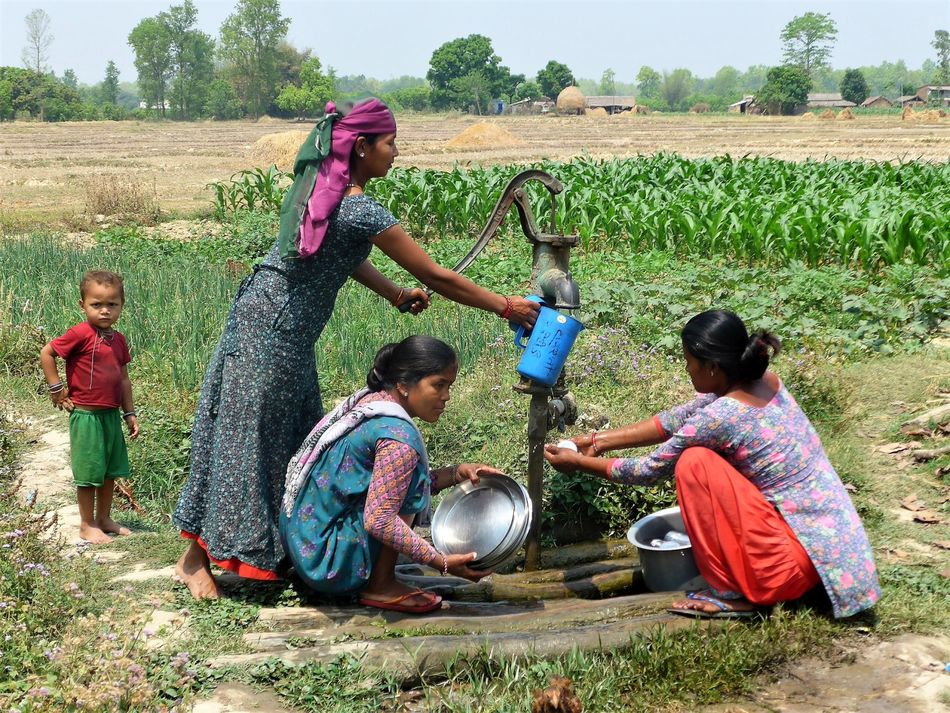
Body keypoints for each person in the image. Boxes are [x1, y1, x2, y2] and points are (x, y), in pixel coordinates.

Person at [173, 98, 539, 599]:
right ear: (362, 146)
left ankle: (285, 549)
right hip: (269, 335)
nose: (396, 151)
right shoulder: (358, 206)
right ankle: (195, 560)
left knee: (297, 439)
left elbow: (336, 254)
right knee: (245, 442)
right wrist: (505, 306)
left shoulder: (328, 195)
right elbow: (434, 274)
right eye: (389, 142)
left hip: (281, 333)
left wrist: (391, 292)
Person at [544, 309, 880, 620]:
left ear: (713, 368)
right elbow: (678, 419)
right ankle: (753, 579)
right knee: (706, 456)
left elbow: (648, 470)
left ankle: (733, 595)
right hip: (831, 558)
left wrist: (578, 463)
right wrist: (598, 441)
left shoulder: (723, 416)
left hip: (787, 569)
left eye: (689, 361)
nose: (686, 368)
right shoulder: (766, 383)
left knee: (694, 462)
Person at [280, 335, 493, 613]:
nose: (446, 396)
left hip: (303, 540)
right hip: (328, 563)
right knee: (405, 481)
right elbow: (379, 521)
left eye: (449, 386)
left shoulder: (371, 401)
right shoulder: (399, 440)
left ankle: (377, 575)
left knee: (403, 479)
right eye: (438, 385)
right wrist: (439, 562)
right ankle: (381, 585)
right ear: (404, 384)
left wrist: (455, 474)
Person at [39, 270, 140, 544]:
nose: (104, 311)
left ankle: (105, 518)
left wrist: (129, 413)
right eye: (96, 305)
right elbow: (47, 353)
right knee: (88, 471)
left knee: (108, 470)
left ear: (122, 305)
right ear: (82, 305)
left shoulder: (118, 340)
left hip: (110, 415)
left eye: (112, 304)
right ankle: (86, 524)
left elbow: (123, 379)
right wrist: (56, 389)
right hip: (86, 415)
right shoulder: (80, 334)